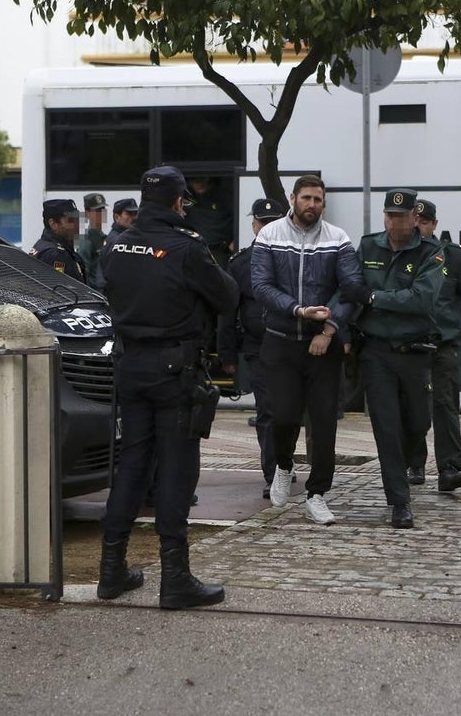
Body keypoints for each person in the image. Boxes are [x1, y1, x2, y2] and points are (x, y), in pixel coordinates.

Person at [98, 166, 239, 608]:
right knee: (178, 468)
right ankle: (175, 578)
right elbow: (228, 296)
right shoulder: (187, 248)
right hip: (175, 370)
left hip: (130, 365)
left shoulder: (116, 246)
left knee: (133, 467)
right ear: (179, 202)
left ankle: (111, 571)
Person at [252, 174, 363, 525]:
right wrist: (298, 310)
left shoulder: (338, 238)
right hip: (280, 340)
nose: (312, 205)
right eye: (306, 198)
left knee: (324, 421)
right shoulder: (270, 235)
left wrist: (329, 329)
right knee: (283, 416)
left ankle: (317, 494)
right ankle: (283, 466)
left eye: (318, 199)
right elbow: (261, 286)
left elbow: (351, 288)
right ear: (292, 198)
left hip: (322, 346)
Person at [341, 188, 444, 529]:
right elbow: (349, 290)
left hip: (414, 352)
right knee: (386, 428)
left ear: (415, 218)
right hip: (376, 352)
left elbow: (421, 299)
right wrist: (336, 328)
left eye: (400, 216)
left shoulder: (431, 252)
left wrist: (373, 296)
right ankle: (399, 501)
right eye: (389, 216)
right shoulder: (368, 246)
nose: (394, 222)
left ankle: (416, 457)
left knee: (417, 423)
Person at [406, 198, 461, 491]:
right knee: (413, 408)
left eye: (424, 222)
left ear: (433, 224)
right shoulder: (398, 256)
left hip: (443, 343)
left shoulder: (452, 257)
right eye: (414, 221)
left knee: (445, 406)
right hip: (408, 345)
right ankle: (415, 462)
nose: (418, 226)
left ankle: (449, 467)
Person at [219, 197, 289, 498]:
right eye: (264, 223)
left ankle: (284, 463)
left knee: (289, 410)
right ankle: (274, 472)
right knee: (268, 410)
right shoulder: (240, 264)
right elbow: (227, 310)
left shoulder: (296, 257)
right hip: (258, 346)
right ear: (254, 226)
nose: (268, 228)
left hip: (291, 344)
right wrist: (226, 353)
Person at [30, 198, 87, 283]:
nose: (76, 226)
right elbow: (62, 292)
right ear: (53, 224)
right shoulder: (56, 255)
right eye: (71, 220)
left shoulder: (42, 245)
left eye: (77, 220)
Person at [185, 177, 235, 268]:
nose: (199, 185)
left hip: (219, 250)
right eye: (195, 181)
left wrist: (235, 239)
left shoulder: (223, 196)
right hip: (193, 249)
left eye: (202, 181)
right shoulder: (185, 197)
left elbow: (239, 215)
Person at [94, 197, 139, 288]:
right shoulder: (118, 241)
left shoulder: (125, 237)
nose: (134, 218)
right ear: (117, 217)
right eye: (129, 214)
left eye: (135, 213)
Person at [81, 193, 108, 289]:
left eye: (102, 210)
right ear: (87, 213)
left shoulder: (104, 237)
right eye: (97, 211)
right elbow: (84, 271)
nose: (101, 214)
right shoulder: (86, 240)